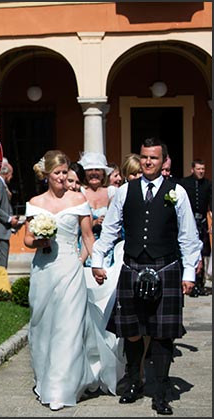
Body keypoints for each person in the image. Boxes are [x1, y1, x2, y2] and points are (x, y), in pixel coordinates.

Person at [91, 137, 202, 415]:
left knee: (163, 335)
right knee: (132, 332)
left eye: (154, 158)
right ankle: (133, 381)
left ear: (164, 160)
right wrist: (98, 260)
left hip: (166, 268)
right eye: (144, 157)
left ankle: (161, 391)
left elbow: (189, 236)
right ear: (139, 159)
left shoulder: (178, 192)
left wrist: (189, 273)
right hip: (131, 267)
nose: (148, 162)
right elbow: (111, 230)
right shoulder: (124, 192)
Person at [23, 150, 122, 412]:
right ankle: (43, 379)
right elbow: (27, 239)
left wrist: (94, 263)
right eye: (56, 173)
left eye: (65, 172)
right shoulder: (35, 202)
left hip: (70, 267)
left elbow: (88, 237)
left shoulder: (77, 199)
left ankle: (61, 389)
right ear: (46, 175)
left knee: (69, 327)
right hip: (44, 270)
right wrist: (40, 239)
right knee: (43, 327)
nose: (61, 177)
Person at [178, 159, 212, 297]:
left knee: (203, 253)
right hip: (189, 221)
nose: (201, 171)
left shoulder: (208, 184)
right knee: (190, 250)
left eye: (203, 169)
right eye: (198, 169)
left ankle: (200, 284)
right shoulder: (184, 183)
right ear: (192, 169)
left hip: (202, 221)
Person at [78, 151, 117, 266]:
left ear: (103, 173)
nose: (94, 173)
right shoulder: (81, 192)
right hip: (83, 245)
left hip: (108, 245)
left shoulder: (112, 192)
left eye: (97, 169)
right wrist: (94, 223)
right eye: (90, 170)